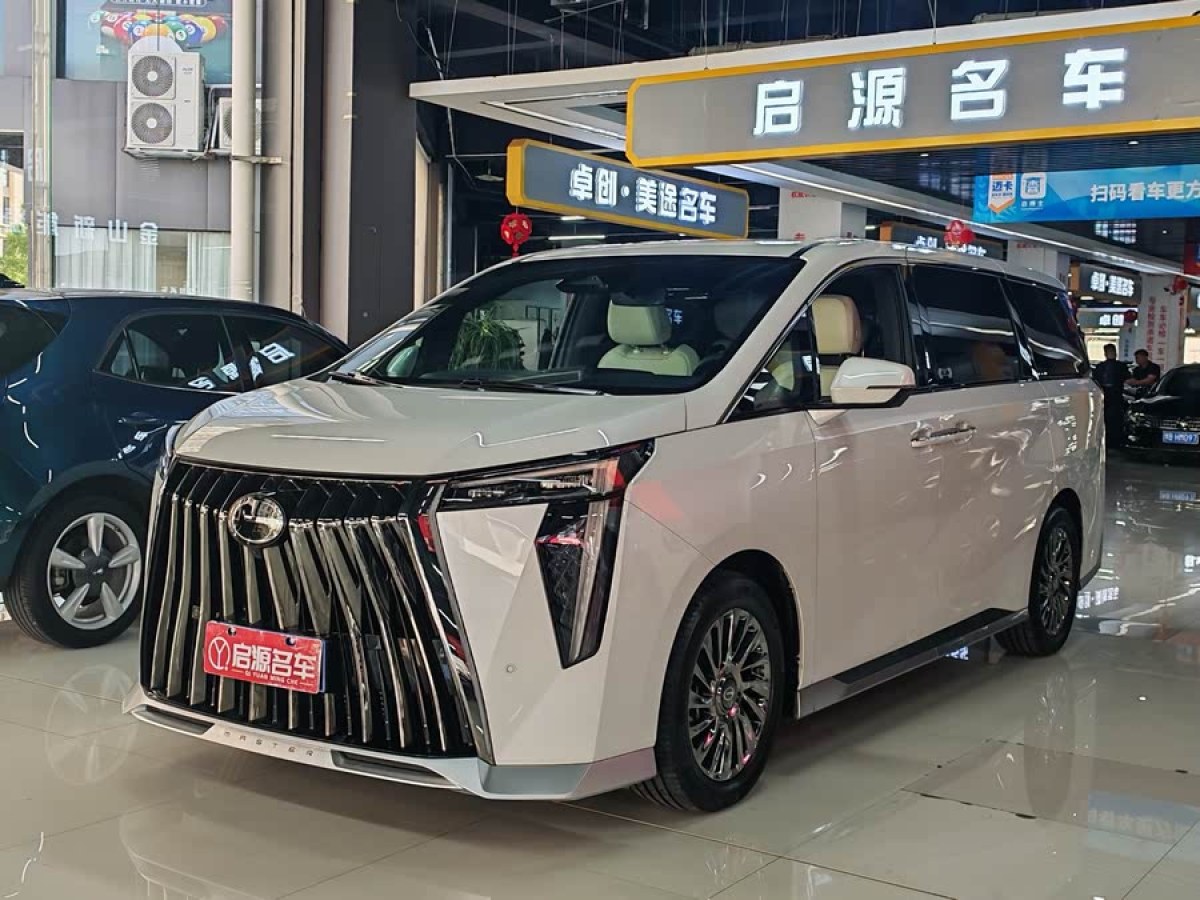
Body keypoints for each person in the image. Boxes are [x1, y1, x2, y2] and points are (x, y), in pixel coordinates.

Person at [1093, 343, 1130, 449]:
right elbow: (1129, 380)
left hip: (1104, 398)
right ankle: (1116, 442)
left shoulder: (1100, 367)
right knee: (1116, 421)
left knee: (1104, 420)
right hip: (1116, 398)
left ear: (1105, 353)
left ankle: (1105, 442)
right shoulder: (1121, 366)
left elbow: (1095, 381)